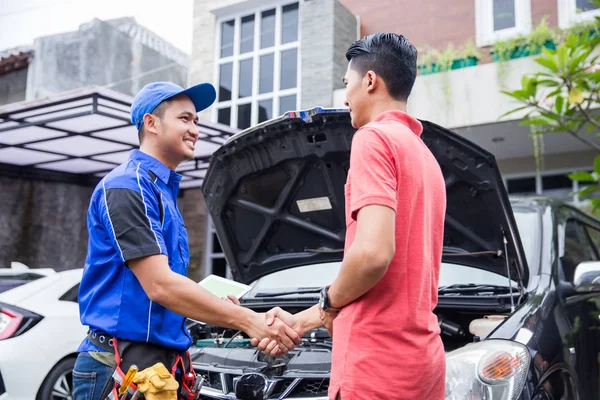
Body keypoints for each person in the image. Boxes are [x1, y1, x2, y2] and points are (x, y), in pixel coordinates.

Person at [73, 81, 300, 400]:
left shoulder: (161, 190)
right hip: (119, 365)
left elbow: (158, 288)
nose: (195, 129)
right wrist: (250, 321)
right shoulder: (128, 186)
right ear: (151, 123)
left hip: (157, 363)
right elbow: (160, 285)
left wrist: (210, 303)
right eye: (185, 119)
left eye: (196, 120)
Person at [254, 33, 447, 399]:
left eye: (347, 84)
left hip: (375, 365)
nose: (345, 98)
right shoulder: (426, 158)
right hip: (421, 363)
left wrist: (328, 300)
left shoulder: (374, 139)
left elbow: (372, 255)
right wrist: (305, 319)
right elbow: (383, 286)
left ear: (370, 81)